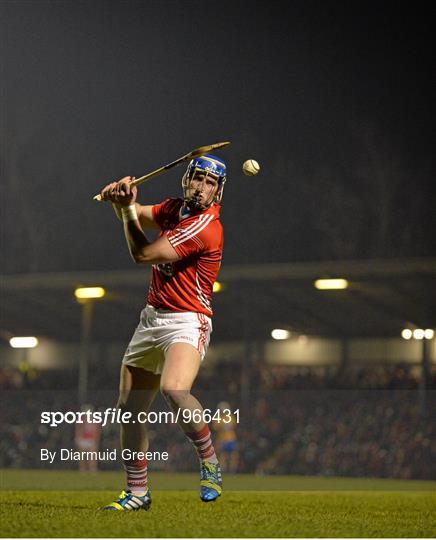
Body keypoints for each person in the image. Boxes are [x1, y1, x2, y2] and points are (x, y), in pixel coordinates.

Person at [99, 154, 226, 511]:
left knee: (174, 389)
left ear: (218, 192)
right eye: (198, 179)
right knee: (129, 410)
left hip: (188, 320)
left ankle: (210, 462)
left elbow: (143, 253)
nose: (202, 187)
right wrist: (122, 200)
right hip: (151, 319)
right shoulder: (173, 208)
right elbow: (136, 214)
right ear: (186, 180)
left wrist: (125, 210)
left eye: (210, 183)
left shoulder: (206, 227)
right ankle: (138, 492)